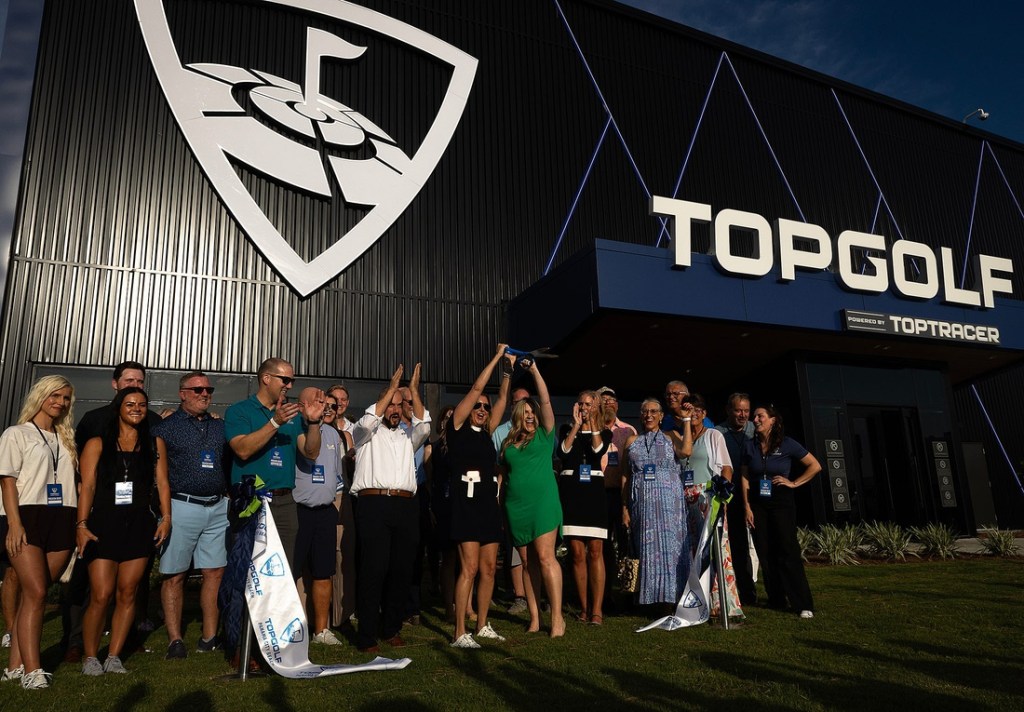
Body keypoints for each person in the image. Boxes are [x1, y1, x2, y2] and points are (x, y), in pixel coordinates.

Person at [76, 387, 172, 675]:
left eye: (142, 405)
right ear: (118, 407)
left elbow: (164, 483)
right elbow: (88, 487)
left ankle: (114, 655)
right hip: (104, 524)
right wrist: (80, 525)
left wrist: (166, 517)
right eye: (130, 404)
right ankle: (90, 656)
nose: (136, 409)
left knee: (128, 592)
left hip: (139, 524)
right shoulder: (97, 443)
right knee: (102, 594)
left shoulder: (155, 443)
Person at [0, 376, 78, 689]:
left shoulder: (66, 437)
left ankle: (14, 666)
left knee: (33, 597)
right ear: (41, 396)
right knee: (37, 593)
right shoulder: (15, 434)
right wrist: (14, 524)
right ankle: (34, 672)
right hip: (26, 516)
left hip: (63, 516)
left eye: (66, 398)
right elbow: (6, 481)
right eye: (54, 396)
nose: (60, 402)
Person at [350, 363, 431, 653]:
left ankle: (391, 627)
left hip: (406, 506)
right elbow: (370, 419)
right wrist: (391, 386)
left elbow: (424, 424)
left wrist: (414, 391)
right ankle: (367, 635)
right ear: (381, 405)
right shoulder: (365, 434)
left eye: (400, 405)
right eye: (392, 405)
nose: (396, 410)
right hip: (374, 504)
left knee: (402, 570)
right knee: (374, 569)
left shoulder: (408, 436)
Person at [152, 372, 228, 660]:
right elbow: (160, 476)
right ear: (182, 393)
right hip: (182, 506)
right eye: (197, 389)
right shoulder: (166, 428)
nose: (204, 393)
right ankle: (175, 640)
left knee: (215, 572)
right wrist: (166, 514)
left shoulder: (220, 427)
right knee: (175, 574)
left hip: (217, 506)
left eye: (208, 389)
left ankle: (209, 637)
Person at [225, 358, 325, 572]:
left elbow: (311, 452)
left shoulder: (292, 415)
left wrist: (314, 423)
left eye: (292, 381)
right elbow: (242, 450)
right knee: (249, 573)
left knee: (282, 571)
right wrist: (274, 423)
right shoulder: (239, 411)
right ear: (266, 378)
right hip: (251, 500)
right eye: (285, 380)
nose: (289, 386)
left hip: (285, 502)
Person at [447, 345, 511, 648]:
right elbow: (477, 388)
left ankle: (483, 624)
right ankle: (460, 631)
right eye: (478, 406)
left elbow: (502, 400)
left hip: (487, 507)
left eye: (485, 407)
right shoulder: (457, 428)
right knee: (469, 568)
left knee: (488, 569)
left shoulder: (488, 432)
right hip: (465, 507)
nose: (483, 409)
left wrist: (509, 372)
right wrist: (497, 358)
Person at [500, 360, 564, 637]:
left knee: (546, 557)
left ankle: (558, 619)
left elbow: (547, 401)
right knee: (527, 563)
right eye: (524, 411)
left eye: (532, 411)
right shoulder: (508, 443)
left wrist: (535, 370)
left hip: (543, 505)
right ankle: (535, 618)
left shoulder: (544, 435)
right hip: (516, 507)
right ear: (517, 414)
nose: (529, 415)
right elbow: (504, 478)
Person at [741, 405, 821, 618]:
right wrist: (747, 506)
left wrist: (794, 483)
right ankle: (776, 598)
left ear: (773, 420)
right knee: (765, 551)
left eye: (761, 416)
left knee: (787, 550)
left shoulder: (787, 443)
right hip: (757, 501)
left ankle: (802, 603)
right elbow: (745, 476)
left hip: (781, 500)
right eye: (755, 416)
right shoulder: (749, 446)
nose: (756, 419)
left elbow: (815, 466)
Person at [621, 398, 693, 610]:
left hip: (669, 503)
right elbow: (625, 476)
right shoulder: (632, 441)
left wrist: (686, 420)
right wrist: (624, 507)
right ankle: (648, 598)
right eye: (645, 412)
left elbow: (686, 451)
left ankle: (672, 597)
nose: (649, 415)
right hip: (642, 503)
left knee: (670, 549)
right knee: (645, 548)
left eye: (654, 411)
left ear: (661, 416)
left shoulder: (671, 436)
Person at [679, 394, 743, 622]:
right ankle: (698, 602)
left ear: (704, 414)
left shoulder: (713, 435)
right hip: (686, 500)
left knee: (716, 551)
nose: (693, 414)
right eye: (688, 410)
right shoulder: (682, 437)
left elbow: (727, 468)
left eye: (697, 410)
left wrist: (722, 498)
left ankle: (721, 604)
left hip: (709, 497)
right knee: (693, 553)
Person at [293, 388, 344, 646]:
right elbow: (308, 452)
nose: (323, 406)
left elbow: (336, 477)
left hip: (325, 512)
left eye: (325, 402)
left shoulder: (333, 433)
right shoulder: (294, 428)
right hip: (297, 511)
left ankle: (321, 631)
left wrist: (334, 506)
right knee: (290, 572)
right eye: (317, 401)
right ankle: (285, 626)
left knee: (324, 573)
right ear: (302, 404)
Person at [557, 390, 610, 625]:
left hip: (594, 496)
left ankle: (597, 610)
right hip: (573, 494)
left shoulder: (604, 433)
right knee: (577, 554)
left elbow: (598, 451)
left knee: (595, 551)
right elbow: (564, 452)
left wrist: (593, 424)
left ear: (596, 407)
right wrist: (577, 426)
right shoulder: (567, 430)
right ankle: (584, 607)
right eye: (581, 403)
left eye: (589, 404)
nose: (584, 407)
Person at [714, 392, 757, 605]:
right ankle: (732, 591)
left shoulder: (754, 429)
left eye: (746, 411)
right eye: (738, 410)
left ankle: (750, 591)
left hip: (753, 495)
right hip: (728, 497)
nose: (743, 415)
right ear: (729, 410)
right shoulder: (717, 433)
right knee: (734, 544)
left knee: (757, 545)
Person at [595, 387, 635, 610]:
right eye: (604, 400)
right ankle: (605, 593)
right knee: (602, 546)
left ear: (618, 405)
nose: (608, 403)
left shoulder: (629, 431)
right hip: (599, 494)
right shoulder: (593, 428)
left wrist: (627, 502)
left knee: (626, 545)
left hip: (621, 495)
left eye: (612, 400)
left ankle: (629, 593)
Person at [492, 387, 530, 615]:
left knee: (537, 551)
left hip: (536, 499)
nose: (521, 406)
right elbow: (499, 469)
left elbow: (553, 460)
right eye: (517, 402)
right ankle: (520, 595)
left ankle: (536, 593)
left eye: (525, 401)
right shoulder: (501, 433)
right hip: (511, 498)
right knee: (515, 548)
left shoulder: (539, 430)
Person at [325, 384, 356, 630]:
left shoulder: (348, 433)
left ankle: (341, 614)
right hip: (316, 496)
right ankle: (318, 616)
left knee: (341, 555)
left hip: (342, 495)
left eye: (342, 401)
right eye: (333, 401)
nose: (338, 405)